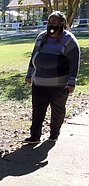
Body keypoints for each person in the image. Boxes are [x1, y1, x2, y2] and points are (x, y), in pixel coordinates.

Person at [24, 11, 80, 144]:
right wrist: (29, 74)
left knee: (57, 112)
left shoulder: (69, 39)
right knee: (37, 111)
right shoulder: (41, 37)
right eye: (49, 22)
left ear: (62, 23)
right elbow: (34, 56)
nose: (50, 25)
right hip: (39, 83)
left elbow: (74, 62)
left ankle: (54, 134)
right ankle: (34, 137)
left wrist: (71, 82)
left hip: (59, 85)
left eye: (54, 22)